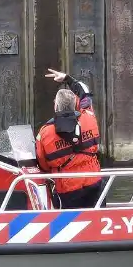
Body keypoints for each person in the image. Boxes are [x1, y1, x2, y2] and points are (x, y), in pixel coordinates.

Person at [36, 69, 103, 209]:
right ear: (75, 104)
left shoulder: (45, 133)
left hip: (68, 188)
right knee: (95, 219)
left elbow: (43, 164)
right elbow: (84, 92)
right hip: (94, 181)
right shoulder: (89, 117)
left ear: (55, 105)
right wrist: (67, 78)